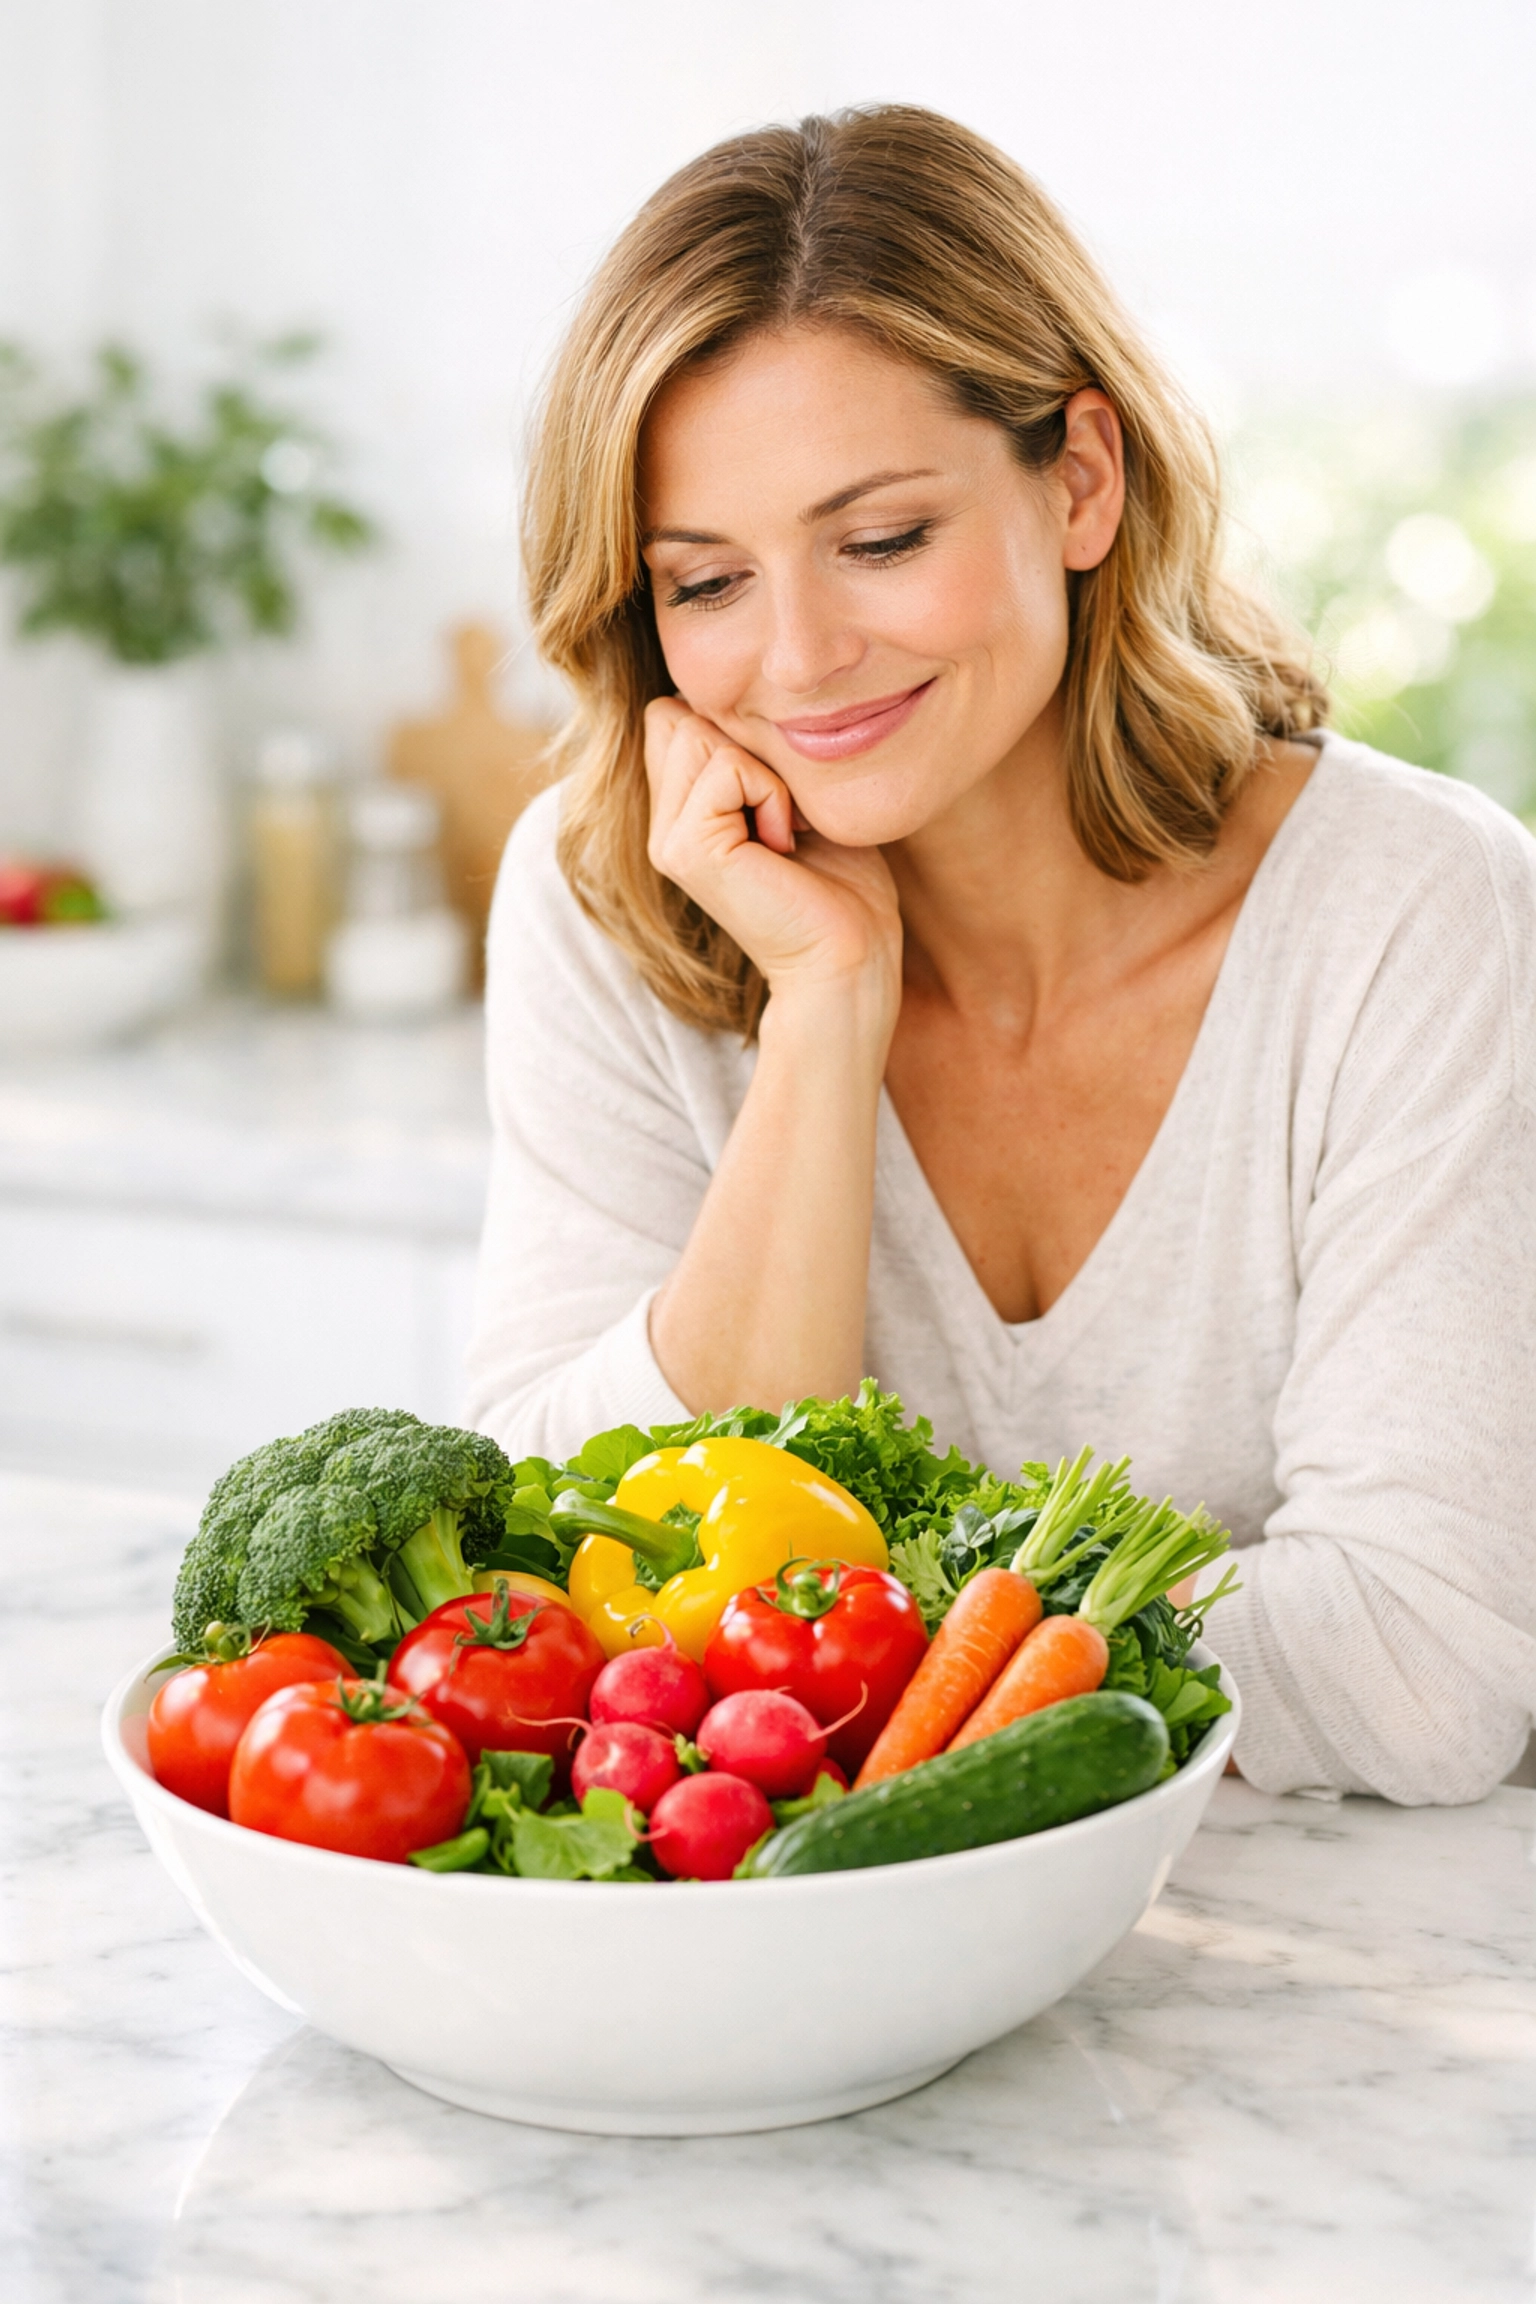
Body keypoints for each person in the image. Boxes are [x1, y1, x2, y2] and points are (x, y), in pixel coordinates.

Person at [465, 106, 1536, 1806]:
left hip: (1329, 1997)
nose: (802, 657)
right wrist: (823, 1014)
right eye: (708, 582)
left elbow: (1419, 1666)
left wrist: (823, 1668)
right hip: (807, 1978)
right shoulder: (610, 899)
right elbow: (537, 1582)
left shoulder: (1411, 910)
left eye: (882, 540)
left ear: (1082, 482)